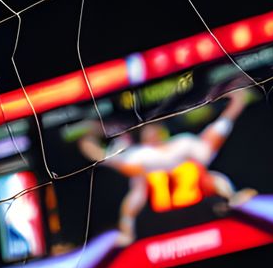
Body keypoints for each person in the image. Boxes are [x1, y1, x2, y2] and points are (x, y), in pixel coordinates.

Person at [78, 88, 254, 245]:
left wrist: (236, 102)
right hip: (159, 208)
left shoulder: (182, 144)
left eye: (156, 130)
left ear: (164, 132)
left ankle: (232, 197)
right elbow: (99, 155)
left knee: (211, 176)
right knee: (138, 188)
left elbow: (217, 132)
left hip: (194, 197)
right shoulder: (140, 155)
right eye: (149, 131)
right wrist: (88, 135)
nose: (153, 134)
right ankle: (127, 231)